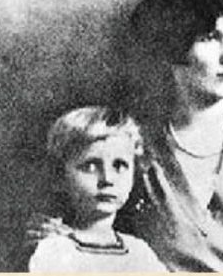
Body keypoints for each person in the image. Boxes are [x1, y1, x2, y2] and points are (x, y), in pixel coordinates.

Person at [29, 0, 223, 272]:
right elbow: (92, 238)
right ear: (172, 45)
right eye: (211, 38)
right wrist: (58, 235)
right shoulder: (131, 148)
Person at [27, 106, 167, 272]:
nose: (107, 179)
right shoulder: (55, 250)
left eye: (119, 166)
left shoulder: (140, 252)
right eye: (91, 167)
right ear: (60, 177)